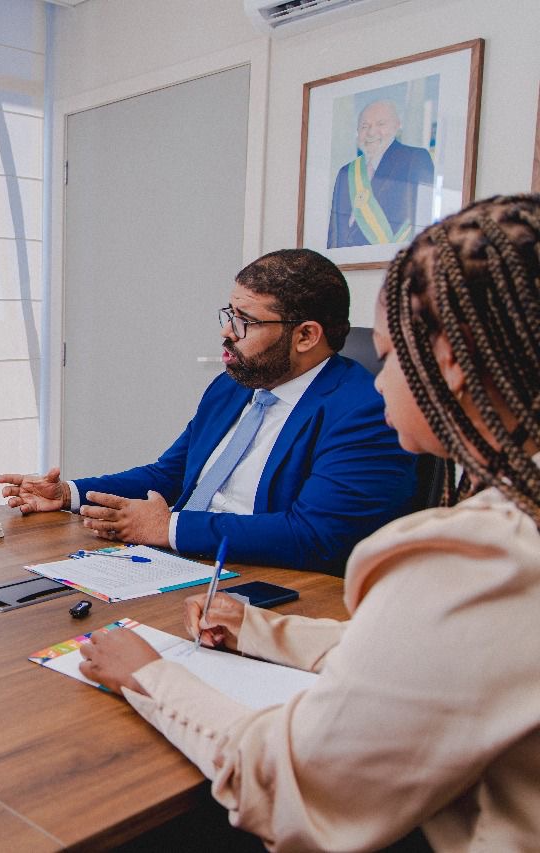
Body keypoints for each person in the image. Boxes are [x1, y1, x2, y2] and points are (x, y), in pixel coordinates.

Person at [79, 195, 540, 850]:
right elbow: (433, 658)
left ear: (449, 363)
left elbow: (290, 783)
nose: (378, 385)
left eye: (389, 357)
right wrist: (265, 630)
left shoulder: (476, 557)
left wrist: (147, 675)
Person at [0, 249, 416, 575]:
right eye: (230, 314)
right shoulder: (234, 385)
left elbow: (316, 536)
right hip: (179, 565)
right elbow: (173, 475)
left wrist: (167, 529)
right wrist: (70, 493)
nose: (226, 331)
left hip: (271, 585)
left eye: (245, 321)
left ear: (306, 335)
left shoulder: (365, 411)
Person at [327, 99, 436, 249]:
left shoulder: (415, 159)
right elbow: (335, 233)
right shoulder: (346, 172)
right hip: (347, 267)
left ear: (397, 125)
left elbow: (424, 220)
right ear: (358, 132)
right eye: (365, 126)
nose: (371, 132)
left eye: (380, 124)